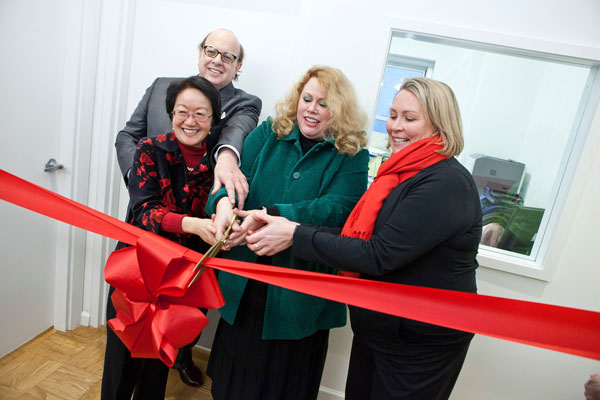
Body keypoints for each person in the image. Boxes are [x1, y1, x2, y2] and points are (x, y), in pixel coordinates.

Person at [247, 77, 482, 400]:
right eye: (393, 115)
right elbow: (357, 237)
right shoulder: (402, 173)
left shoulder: (445, 183)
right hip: (381, 325)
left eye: (410, 119)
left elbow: (378, 254)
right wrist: (289, 228)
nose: (396, 127)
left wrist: (295, 235)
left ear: (440, 126)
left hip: (418, 341)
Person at [204, 65, 370, 400]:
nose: (311, 108)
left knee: (283, 390)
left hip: (300, 299)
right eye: (306, 98)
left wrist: (275, 214)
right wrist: (222, 205)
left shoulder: (352, 155)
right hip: (246, 288)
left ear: (338, 111)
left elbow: (338, 209)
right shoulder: (268, 133)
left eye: (323, 103)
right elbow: (234, 181)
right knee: (231, 386)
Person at [114, 28, 261, 386]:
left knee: (171, 337)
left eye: (228, 56)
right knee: (125, 345)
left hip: (190, 251)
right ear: (200, 53)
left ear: (238, 66)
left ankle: (181, 356)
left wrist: (225, 160)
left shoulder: (243, 104)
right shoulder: (162, 86)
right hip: (145, 238)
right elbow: (128, 136)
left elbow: (233, 136)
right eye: (212, 51)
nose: (217, 60)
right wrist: (143, 178)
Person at [101, 76, 221, 400]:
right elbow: (143, 212)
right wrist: (193, 225)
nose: (190, 121)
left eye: (200, 113)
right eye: (182, 111)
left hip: (180, 283)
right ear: (171, 114)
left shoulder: (219, 165)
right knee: (120, 365)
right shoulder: (149, 149)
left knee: (157, 369)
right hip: (136, 275)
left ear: (214, 120)